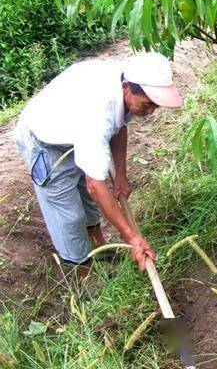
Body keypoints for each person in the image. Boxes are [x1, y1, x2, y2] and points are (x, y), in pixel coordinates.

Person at [13, 52, 182, 273]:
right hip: (45, 140)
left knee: (89, 202)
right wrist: (133, 237)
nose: (151, 111)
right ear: (127, 88)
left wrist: (121, 175)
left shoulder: (127, 83)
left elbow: (119, 125)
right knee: (70, 215)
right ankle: (80, 269)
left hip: (73, 127)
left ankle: (99, 248)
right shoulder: (97, 115)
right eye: (148, 104)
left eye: (155, 106)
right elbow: (96, 185)